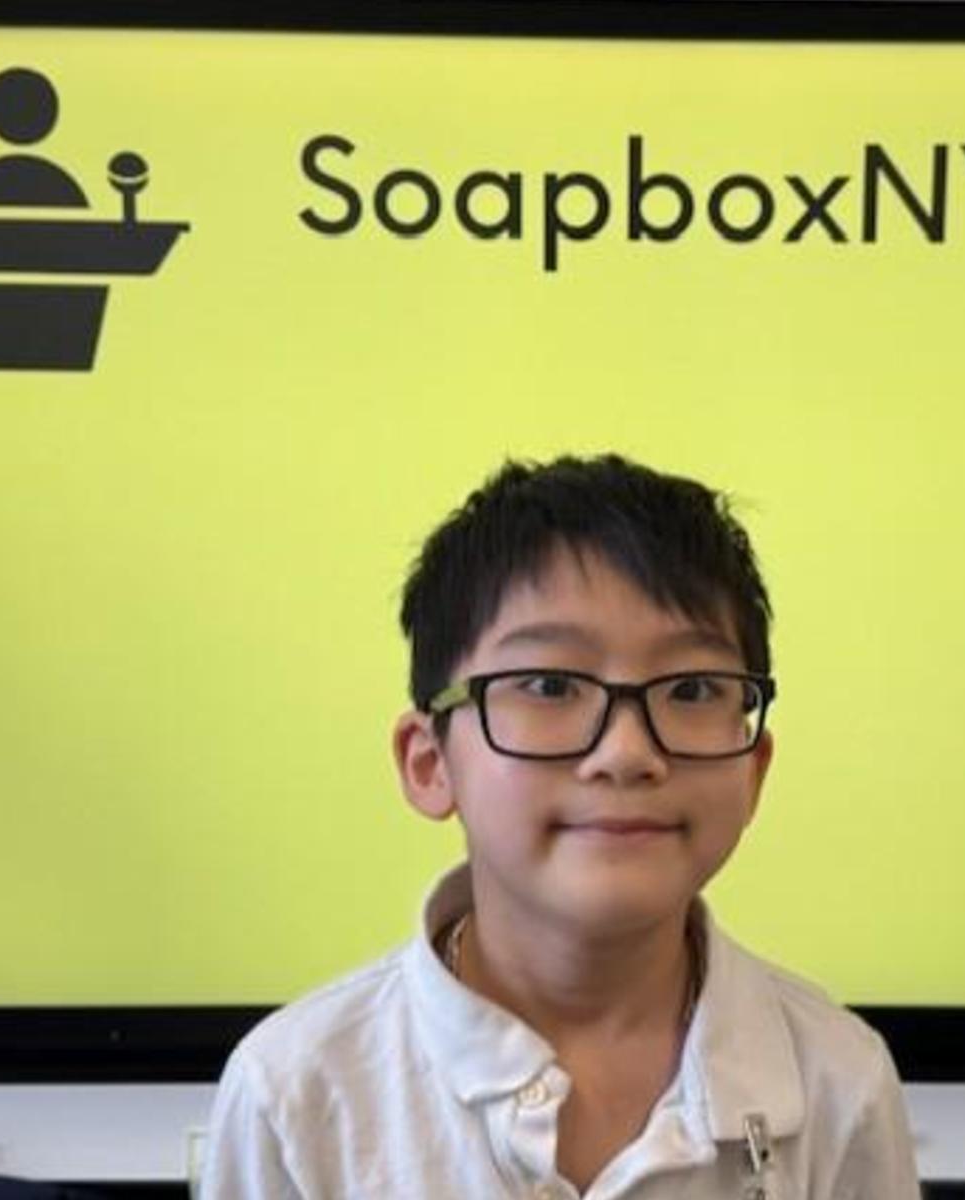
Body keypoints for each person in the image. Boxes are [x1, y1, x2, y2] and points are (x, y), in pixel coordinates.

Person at [202, 454, 920, 1199]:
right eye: (549, 684)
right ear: (429, 762)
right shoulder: (295, 1094)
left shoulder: (841, 1081)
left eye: (693, 688)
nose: (627, 752)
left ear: (754, 769)